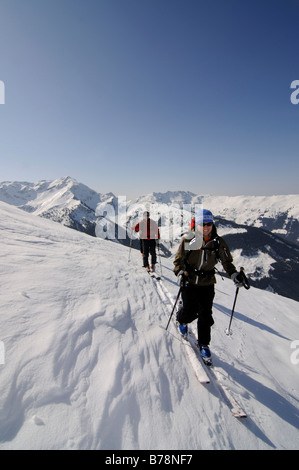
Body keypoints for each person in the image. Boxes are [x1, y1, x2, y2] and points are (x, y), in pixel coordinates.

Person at [173, 208, 245, 363]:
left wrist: (234, 275)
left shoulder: (218, 242)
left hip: (207, 283)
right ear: (196, 224)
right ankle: (182, 319)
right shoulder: (189, 239)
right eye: (202, 224)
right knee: (190, 311)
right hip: (190, 280)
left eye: (209, 224)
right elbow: (178, 261)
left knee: (206, 314)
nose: (205, 227)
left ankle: (204, 344)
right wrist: (180, 273)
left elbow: (227, 263)